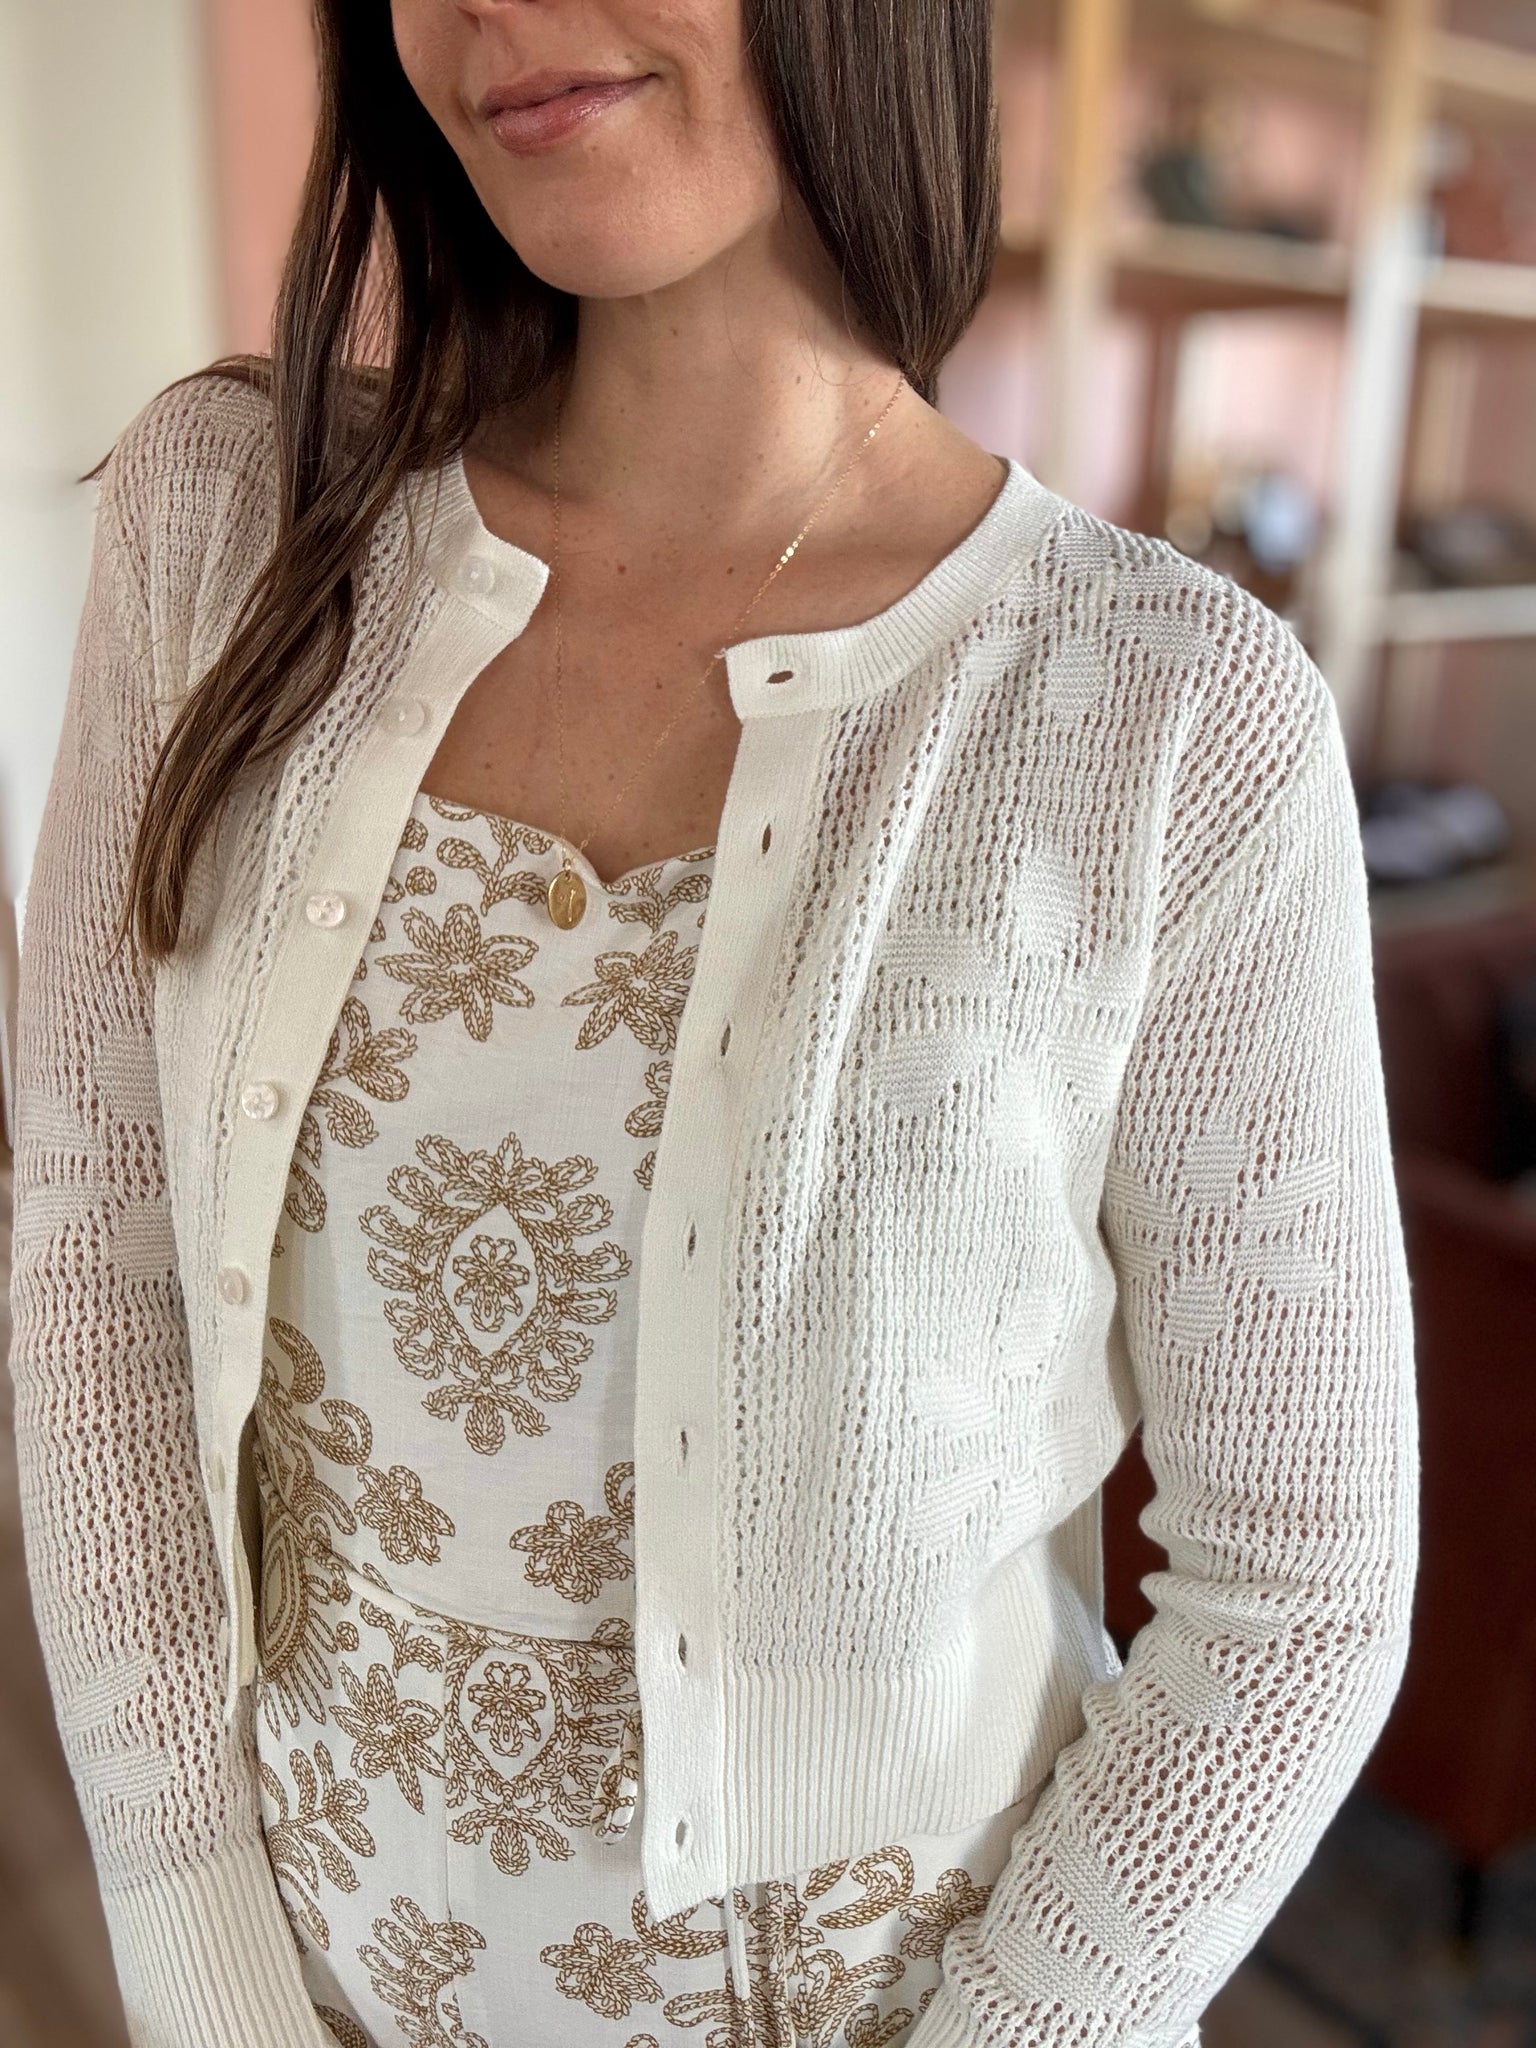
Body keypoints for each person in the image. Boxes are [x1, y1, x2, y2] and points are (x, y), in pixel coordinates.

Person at [9, 2, 1418, 2044]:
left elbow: (1298, 1586)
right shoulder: (230, 527)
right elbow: (99, 1254)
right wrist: (199, 1964)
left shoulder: (1170, 721)